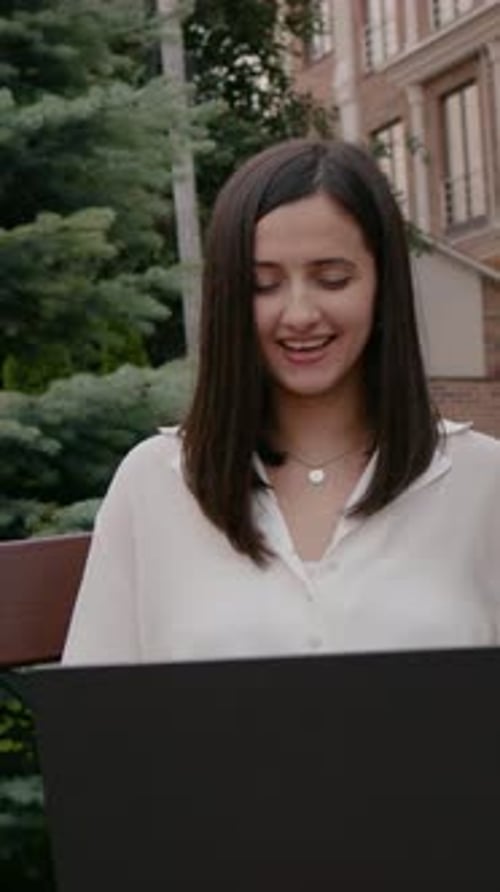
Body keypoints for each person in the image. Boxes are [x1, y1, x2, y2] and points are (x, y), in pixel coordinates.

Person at [62, 138, 500, 665]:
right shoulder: (153, 483)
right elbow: (98, 705)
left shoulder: (483, 482)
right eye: (263, 285)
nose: (299, 314)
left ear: (383, 284)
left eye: (332, 279)